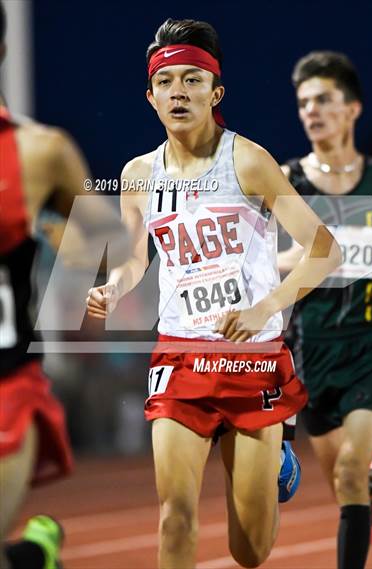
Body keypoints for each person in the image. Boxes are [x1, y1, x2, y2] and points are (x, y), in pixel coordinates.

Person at [86, 19, 341, 569]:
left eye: (193, 80)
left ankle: (279, 461)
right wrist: (113, 285)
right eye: (167, 81)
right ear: (151, 96)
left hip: (254, 360)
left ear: (215, 92)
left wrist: (263, 308)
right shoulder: (137, 174)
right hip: (180, 357)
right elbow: (137, 258)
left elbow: (326, 249)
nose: (179, 91)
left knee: (248, 552)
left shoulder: (247, 160)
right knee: (174, 515)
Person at [277, 51, 372, 569]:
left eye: (323, 99)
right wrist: (289, 260)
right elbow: (257, 260)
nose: (311, 111)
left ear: (353, 108)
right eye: (303, 103)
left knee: (348, 472)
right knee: (349, 482)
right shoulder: (286, 182)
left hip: (371, 345)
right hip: (310, 350)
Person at [0, 3, 130, 568]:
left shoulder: (41, 151)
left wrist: (72, 242)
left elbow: (114, 245)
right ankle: (33, 554)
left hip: (5, 389)